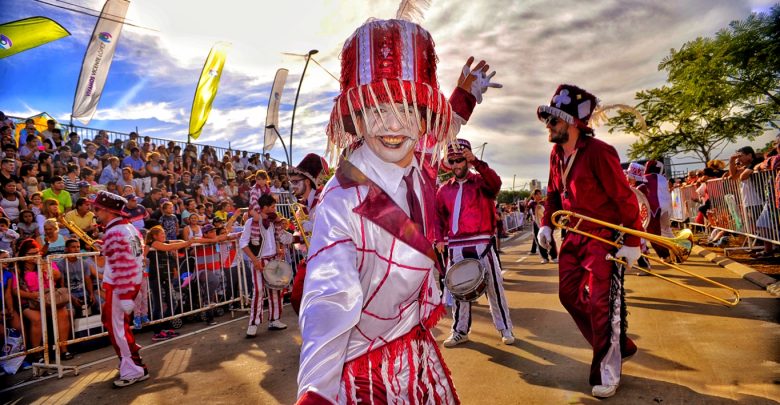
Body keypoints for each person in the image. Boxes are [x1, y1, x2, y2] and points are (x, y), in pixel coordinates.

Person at [296, 16, 500, 403]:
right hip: (366, 372)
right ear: (356, 116)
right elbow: (328, 297)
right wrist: (315, 391)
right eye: (376, 108)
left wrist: (466, 95)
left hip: (420, 349)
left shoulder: (416, 160)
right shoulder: (342, 199)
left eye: (407, 108)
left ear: (422, 116)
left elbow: (445, 127)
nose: (392, 125)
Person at [535, 84, 642, 398]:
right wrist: (545, 225)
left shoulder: (600, 152)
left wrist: (633, 241)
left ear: (571, 122)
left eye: (553, 121)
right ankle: (618, 342)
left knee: (601, 306)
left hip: (603, 239)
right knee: (568, 296)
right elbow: (554, 194)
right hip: (573, 236)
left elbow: (624, 198)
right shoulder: (556, 154)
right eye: (547, 121)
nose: (548, 126)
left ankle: (608, 369)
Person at [434, 138, 514, 347]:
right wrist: (440, 238)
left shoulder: (481, 182)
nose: (457, 165)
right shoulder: (443, 190)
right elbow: (439, 217)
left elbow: (496, 184)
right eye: (452, 161)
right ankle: (460, 331)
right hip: (456, 246)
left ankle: (505, 328)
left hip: (482, 243)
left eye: (460, 160)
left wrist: (477, 162)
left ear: (467, 160)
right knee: (459, 289)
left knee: (494, 288)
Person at [91, 191, 148, 387]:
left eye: (97, 209)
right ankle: (130, 360)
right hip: (128, 282)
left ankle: (133, 367)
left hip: (121, 284)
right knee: (113, 323)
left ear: (108, 211)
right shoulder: (128, 227)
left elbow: (124, 262)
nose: (95, 212)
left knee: (117, 328)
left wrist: (123, 293)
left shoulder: (116, 231)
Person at [240, 194, 289, 336]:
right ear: (265, 207)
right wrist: (255, 260)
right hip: (259, 261)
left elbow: (280, 237)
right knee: (259, 291)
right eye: (272, 206)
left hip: (273, 259)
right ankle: (253, 323)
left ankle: (274, 319)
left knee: (275, 290)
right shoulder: (251, 222)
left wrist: (280, 248)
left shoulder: (274, 221)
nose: (275, 209)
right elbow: (243, 243)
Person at [287, 153, 328, 314]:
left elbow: (334, 226)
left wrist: (314, 225)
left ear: (307, 181)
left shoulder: (325, 199)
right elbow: (301, 237)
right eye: (291, 183)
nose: (293, 187)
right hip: (312, 259)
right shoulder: (302, 207)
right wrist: (289, 237)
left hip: (328, 259)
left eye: (296, 182)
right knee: (297, 298)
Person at [528, 189, 558, 263]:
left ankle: (554, 256)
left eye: (539, 194)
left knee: (550, 238)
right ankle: (544, 257)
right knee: (539, 240)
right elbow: (528, 209)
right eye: (537, 194)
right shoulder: (532, 204)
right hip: (536, 223)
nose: (539, 196)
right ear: (533, 196)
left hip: (545, 223)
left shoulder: (544, 202)